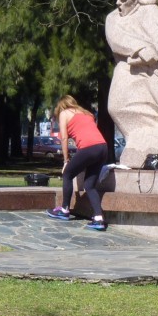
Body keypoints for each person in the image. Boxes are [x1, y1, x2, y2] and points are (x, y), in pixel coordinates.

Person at [46, 95, 110, 231]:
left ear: (61, 106)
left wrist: (66, 161)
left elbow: (64, 138)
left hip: (89, 148)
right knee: (89, 185)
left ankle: (64, 210)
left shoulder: (64, 113)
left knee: (67, 174)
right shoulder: (87, 113)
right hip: (103, 147)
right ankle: (98, 218)